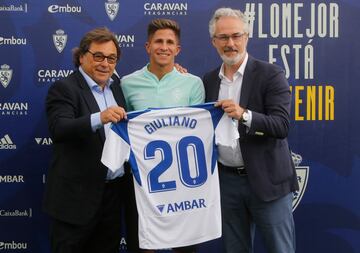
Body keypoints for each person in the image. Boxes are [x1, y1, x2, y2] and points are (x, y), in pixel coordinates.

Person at [203, 8, 299, 253]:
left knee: (281, 249)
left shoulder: (271, 74)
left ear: (247, 36)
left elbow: (281, 126)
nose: (230, 43)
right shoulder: (208, 80)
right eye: (223, 38)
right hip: (227, 182)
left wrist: (244, 115)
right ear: (214, 42)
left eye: (236, 35)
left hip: (268, 182)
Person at [43, 27, 139, 253]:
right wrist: (99, 117)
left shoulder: (116, 88)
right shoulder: (64, 88)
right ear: (82, 56)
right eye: (98, 56)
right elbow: (59, 128)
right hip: (75, 202)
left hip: (112, 199)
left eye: (111, 58)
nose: (105, 63)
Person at [121, 19, 205, 253]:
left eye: (170, 42)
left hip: (183, 183)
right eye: (159, 41)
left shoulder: (193, 83)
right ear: (148, 46)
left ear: (177, 50)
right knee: (144, 246)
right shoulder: (127, 83)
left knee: (185, 248)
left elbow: (199, 132)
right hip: (142, 181)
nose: (164, 47)